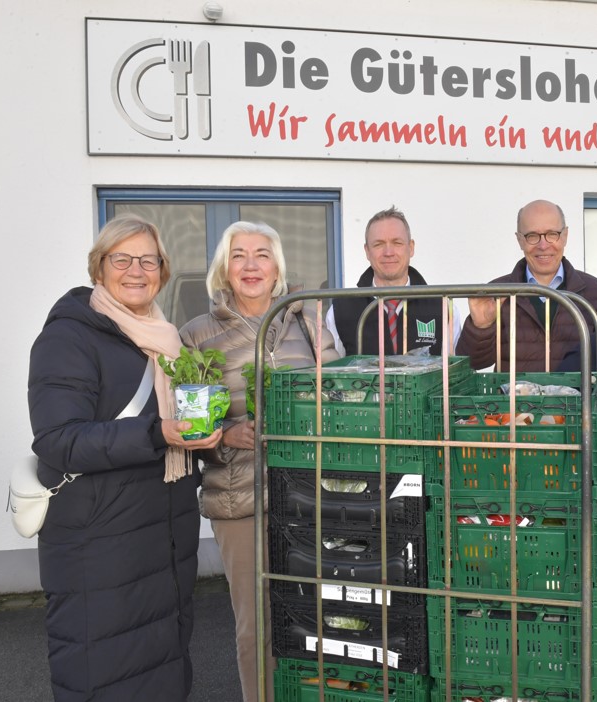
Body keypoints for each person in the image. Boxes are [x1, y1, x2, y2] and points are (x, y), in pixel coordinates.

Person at [28, 214, 222, 701]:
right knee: (104, 670)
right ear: (99, 267)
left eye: (148, 261)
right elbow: (59, 440)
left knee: (161, 664)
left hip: (163, 536)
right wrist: (157, 433)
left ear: (162, 270)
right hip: (99, 543)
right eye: (122, 259)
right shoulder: (69, 337)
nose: (136, 271)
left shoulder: (166, 339)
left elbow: (177, 430)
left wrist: (211, 439)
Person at [179, 221, 339, 702]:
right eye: (239, 255)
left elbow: (339, 395)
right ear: (224, 269)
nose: (251, 265)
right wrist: (226, 435)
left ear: (277, 267)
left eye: (262, 254)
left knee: (318, 619)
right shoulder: (197, 335)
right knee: (256, 627)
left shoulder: (307, 321)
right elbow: (188, 427)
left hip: (309, 494)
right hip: (240, 498)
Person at [455, 198, 597, 371]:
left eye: (552, 234)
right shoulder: (496, 293)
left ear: (565, 236)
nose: (543, 246)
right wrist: (481, 327)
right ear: (519, 240)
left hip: (579, 390)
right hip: (514, 391)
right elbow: (472, 364)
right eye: (532, 236)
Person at [327, 205, 460, 357]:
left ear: (411, 248)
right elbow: (332, 369)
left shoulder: (444, 308)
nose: (388, 253)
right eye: (378, 244)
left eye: (397, 243)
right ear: (367, 251)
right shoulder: (340, 311)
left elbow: (457, 368)